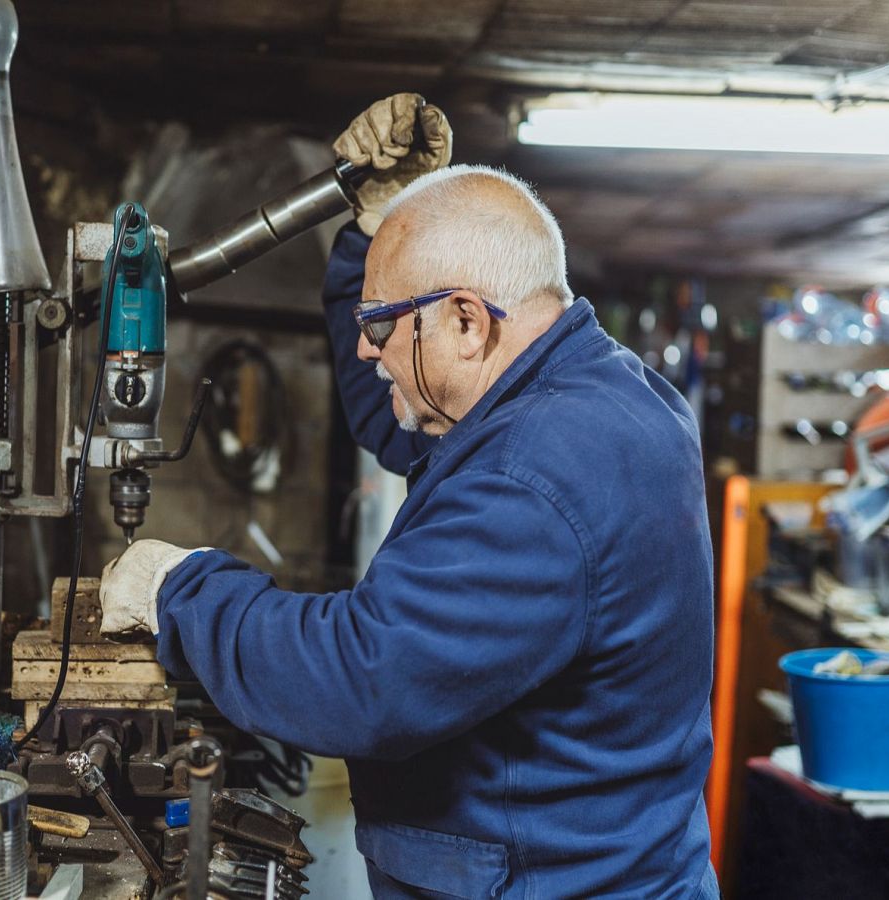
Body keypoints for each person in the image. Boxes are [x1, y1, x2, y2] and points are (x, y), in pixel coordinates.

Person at [100, 93, 718, 899]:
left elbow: (363, 679)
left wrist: (180, 590)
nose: (363, 346)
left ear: (467, 321)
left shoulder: (533, 477)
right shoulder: (607, 393)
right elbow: (403, 419)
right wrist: (376, 227)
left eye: (382, 323)